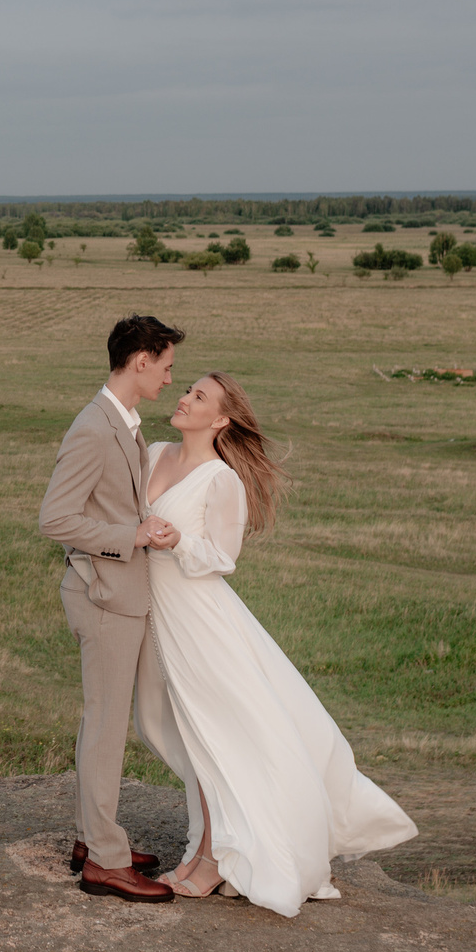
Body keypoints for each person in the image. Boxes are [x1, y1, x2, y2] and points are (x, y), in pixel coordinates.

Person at [141, 372, 417, 915]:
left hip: (197, 620)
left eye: (199, 396)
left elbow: (222, 558)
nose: (184, 398)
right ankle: (206, 848)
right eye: (187, 390)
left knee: (212, 736)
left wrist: (179, 540)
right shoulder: (152, 454)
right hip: (154, 616)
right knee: (176, 733)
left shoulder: (220, 480)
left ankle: (213, 858)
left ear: (220, 420)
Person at [37, 315, 200, 903]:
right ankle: (104, 862)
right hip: (104, 594)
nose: (169, 378)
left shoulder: (124, 423)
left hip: (117, 593)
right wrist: (131, 535)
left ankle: (92, 836)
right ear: (140, 361)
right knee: (106, 729)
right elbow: (54, 519)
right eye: (166, 365)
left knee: (102, 723)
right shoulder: (93, 427)